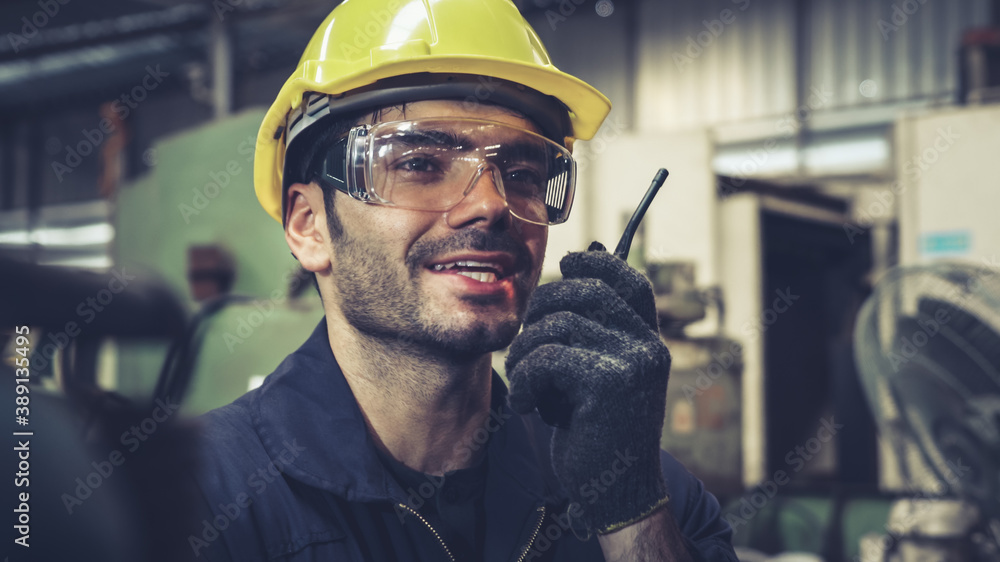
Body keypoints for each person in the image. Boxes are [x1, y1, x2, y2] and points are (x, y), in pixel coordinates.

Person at [188, 0, 738, 560]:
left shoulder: (651, 497)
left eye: (522, 174)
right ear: (310, 227)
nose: (491, 204)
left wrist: (630, 516)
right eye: (420, 164)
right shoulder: (192, 502)